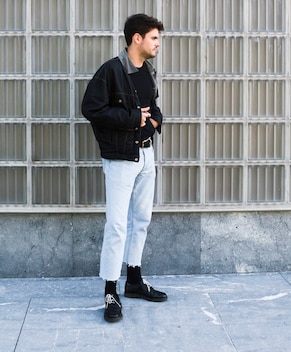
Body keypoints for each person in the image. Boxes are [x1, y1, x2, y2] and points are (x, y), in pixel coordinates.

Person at [81, 14, 167, 323]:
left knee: (141, 220)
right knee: (117, 224)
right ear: (137, 39)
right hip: (120, 158)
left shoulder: (147, 71)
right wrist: (134, 118)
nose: (158, 43)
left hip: (146, 155)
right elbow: (90, 109)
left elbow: (153, 108)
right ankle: (110, 291)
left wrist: (152, 121)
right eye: (154, 38)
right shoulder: (112, 71)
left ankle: (133, 280)